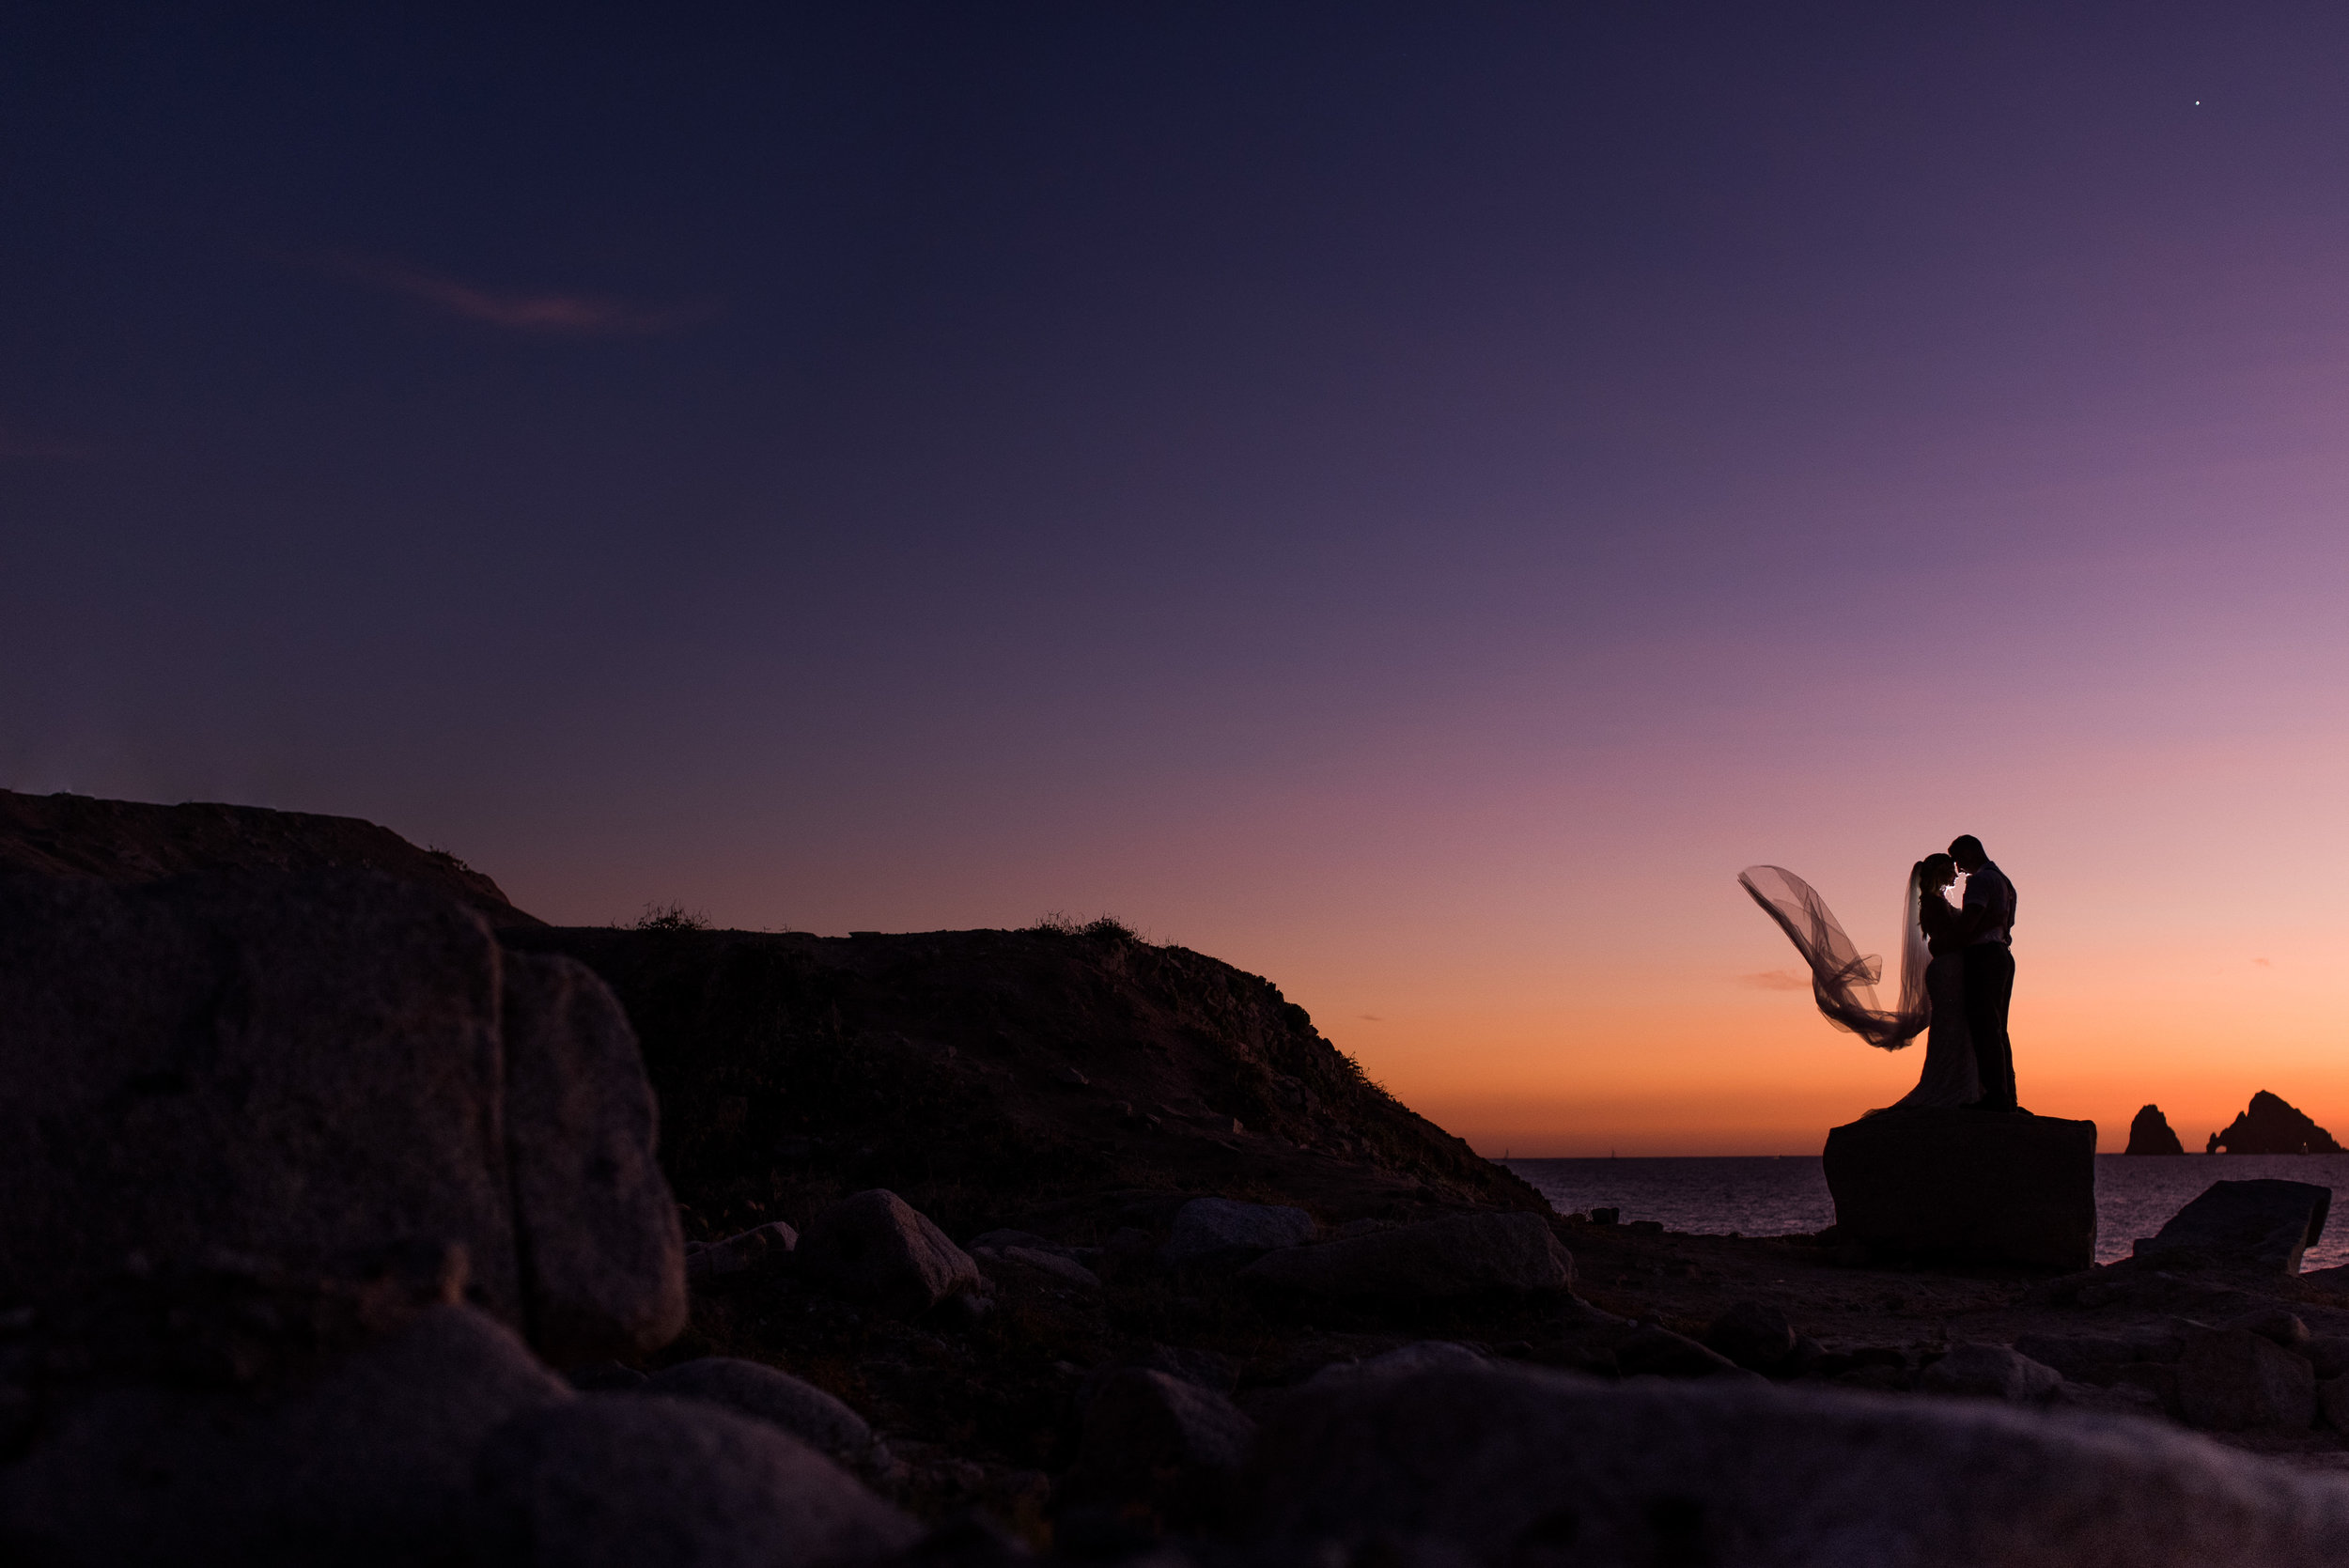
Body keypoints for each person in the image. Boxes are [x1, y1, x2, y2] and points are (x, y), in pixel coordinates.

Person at [1735, 859, 1978, 1111]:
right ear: (1940, 872)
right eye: (1952, 870)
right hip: (1947, 972)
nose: (1957, 875)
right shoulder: (1933, 903)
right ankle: (1951, 1085)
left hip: (1951, 970)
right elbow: (1945, 939)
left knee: (1957, 1026)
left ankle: (1961, 1082)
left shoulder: (1937, 901)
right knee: (1951, 1026)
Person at [1947, 833, 2018, 1111]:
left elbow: (1970, 922)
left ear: (1971, 852)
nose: (1958, 867)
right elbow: (2007, 922)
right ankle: (2006, 1093)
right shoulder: (2004, 882)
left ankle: (1995, 1095)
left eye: (1959, 858)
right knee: (1999, 1029)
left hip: (1985, 956)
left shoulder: (1979, 881)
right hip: (2002, 954)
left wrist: (1949, 944)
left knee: (1985, 1026)